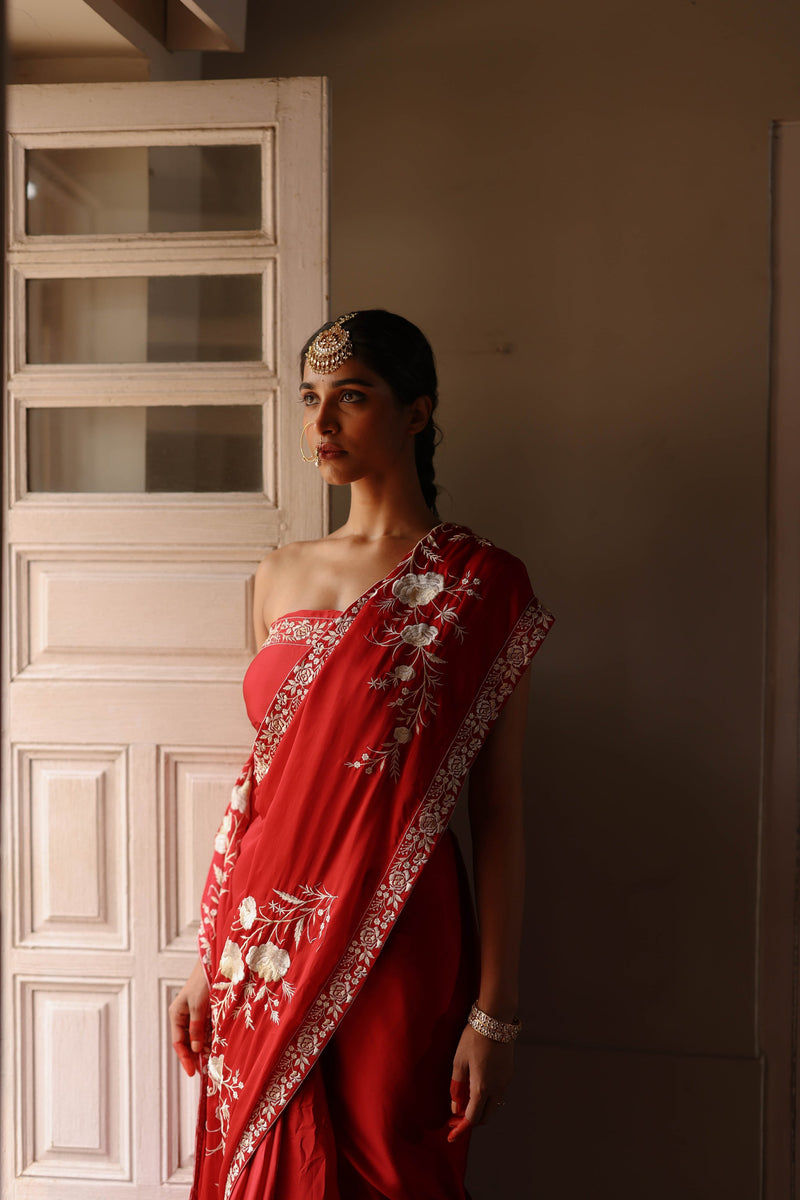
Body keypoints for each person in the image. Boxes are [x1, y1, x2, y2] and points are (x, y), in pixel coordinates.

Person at [169, 310, 554, 1200]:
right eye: (311, 400)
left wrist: (495, 1012)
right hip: (260, 943)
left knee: (390, 1162)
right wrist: (205, 955)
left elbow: (497, 810)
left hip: (402, 932)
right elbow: (260, 789)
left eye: (351, 396)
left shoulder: (481, 583)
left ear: (417, 412)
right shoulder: (278, 574)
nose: (321, 424)